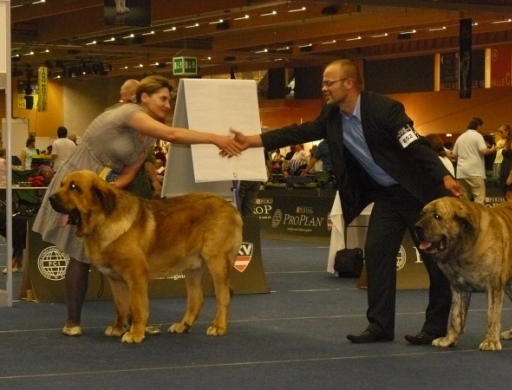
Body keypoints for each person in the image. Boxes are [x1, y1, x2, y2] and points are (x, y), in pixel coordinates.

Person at [229, 59, 462, 345]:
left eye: (329, 82)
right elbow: (297, 132)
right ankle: (379, 327)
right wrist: (252, 141)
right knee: (375, 254)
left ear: (349, 83)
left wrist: (443, 177)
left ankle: (436, 328)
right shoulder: (331, 115)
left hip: (419, 195)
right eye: (324, 82)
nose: (324, 87)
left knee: (436, 262)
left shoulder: (385, 109)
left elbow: (415, 144)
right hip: (387, 196)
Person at [32, 75, 241, 337]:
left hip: (105, 188)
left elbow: (130, 173)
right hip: (78, 180)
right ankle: (73, 320)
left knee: (115, 260)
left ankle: (128, 321)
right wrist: (216, 139)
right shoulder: (128, 112)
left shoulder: (148, 136)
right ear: (144, 97)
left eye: (169, 100)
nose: (167, 104)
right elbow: (173, 134)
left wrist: (111, 192)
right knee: (80, 253)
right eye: (163, 98)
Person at [453, 117, 496, 204]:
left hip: (461, 172)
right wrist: (492, 149)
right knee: (479, 198)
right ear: (478, 127)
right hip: (475, 172)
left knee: (464, 200)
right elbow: (484, 151)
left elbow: (454, 154)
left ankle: (464, 217)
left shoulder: (460, 137)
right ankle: (478, 217)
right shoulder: (478, 136)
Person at [498, 124, 512, 201]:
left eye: (501, 132)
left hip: (510, 169)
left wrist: (511, 175)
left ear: (507, 131)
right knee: (506, 195)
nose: (500, 134)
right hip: (505, 168)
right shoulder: (505, 143)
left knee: (509, 195)